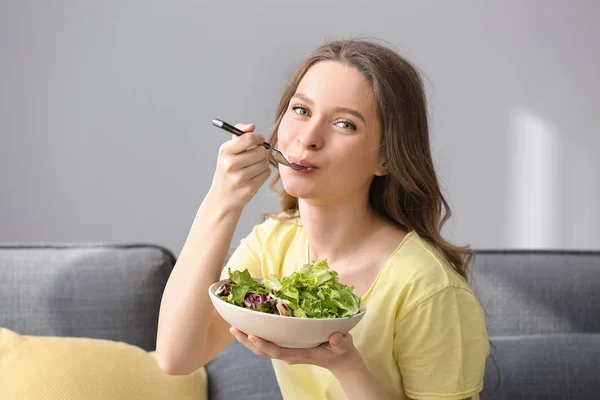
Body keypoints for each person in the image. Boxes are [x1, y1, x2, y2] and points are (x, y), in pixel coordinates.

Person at [156, 38, 490, 400]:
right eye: (301, 110)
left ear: (387, 159)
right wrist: (221, 202)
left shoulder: (426, 286)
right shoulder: (273, 243)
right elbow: (177, 356)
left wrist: (344, 364)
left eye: (345, 124)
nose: (309, 137)